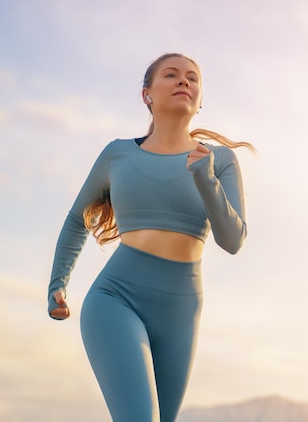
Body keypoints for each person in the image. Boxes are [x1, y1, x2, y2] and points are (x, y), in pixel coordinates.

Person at [47, 53, 255, 422]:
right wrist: (57, 284)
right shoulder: (118, 154)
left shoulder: (218, 161)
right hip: (116, 297)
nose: (183, 82)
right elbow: (78, 219)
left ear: (200, 99)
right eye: (171, 75)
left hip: (182, 308)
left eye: (193, 78)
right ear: (147, 94)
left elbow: (233, 240)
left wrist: (205, 180)